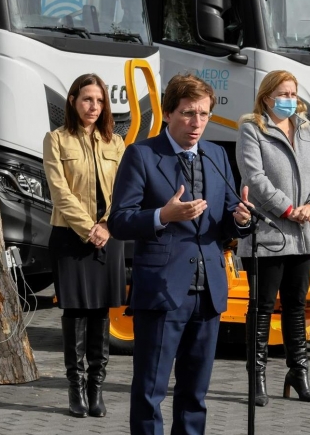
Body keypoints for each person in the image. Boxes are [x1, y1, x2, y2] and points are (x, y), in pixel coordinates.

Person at [108, 73, 254, 435]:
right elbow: (120, 221)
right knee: (149, 391)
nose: (197, 123)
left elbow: (226, 219)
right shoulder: (142, 154)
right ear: (169, 113)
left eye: (203, 114)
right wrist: (162, 216)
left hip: (209, 293)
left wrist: (242, 219)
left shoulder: (217, 154)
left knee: (195, 393)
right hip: (161, 291)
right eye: (189, 113)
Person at [236, 70, 310, 406]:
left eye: (292, 93)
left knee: (296, 306)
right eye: (282, 93)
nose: (289, 99)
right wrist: (288, 208)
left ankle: (298, 373)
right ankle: (257, 377)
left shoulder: (308, 131)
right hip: (269, 234)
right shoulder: (252, 129)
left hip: (305, 234)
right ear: (266, 97)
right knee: (262, 307)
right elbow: (255, 178)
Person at [43, 73, 126, 418]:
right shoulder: (57, 140)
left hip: (108, 236)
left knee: (101, 312)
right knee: (75, 312)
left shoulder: (115, 143)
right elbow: (59, 192)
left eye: (100, 100)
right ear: (74, 101)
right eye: (87, 99)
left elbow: (125, 190)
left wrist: (105, 225)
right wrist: (88, 228)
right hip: (71, 237)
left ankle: (96, 389)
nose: (94, 106)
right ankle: (75, 389)